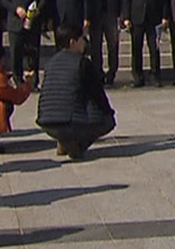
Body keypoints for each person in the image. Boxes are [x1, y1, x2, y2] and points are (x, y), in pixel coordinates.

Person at [37, 25, 116, 160]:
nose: (84, 43)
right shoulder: (82, 63)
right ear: (72, 42)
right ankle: (76, 146)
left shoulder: (50, 63)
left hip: (46, 122)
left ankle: (63, 140)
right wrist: (108, 112)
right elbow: (98, 96)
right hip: (69, 122)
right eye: (82, 39)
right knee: (107, 121)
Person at [120, 0, 169, 87]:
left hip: (154, 18)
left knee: (154, 48)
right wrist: (126, 17)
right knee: (136, 48)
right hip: (136, 17)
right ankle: (137, 76)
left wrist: (165, 16)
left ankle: (155, 75)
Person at [0, 0, 46, 85]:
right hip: (15, 23)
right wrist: (16, 9)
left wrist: (38, 10)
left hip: (33, 23)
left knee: (33, 52)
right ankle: (18, 80)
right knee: (16, 53)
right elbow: (4, 0)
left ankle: (33, 81)